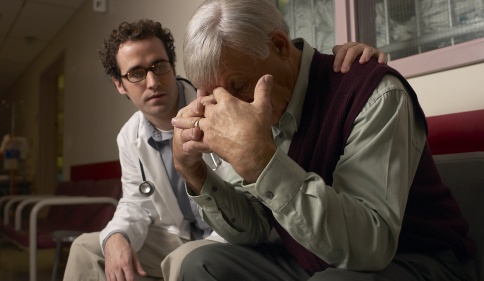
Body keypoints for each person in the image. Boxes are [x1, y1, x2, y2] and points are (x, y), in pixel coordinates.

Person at [169, 0, 478, 280]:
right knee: (194, 262)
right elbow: (256, 228)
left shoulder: (374, 92)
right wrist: (195, 173)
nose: (228, 109)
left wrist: (261, 162)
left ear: (280, 46)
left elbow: (371, 247)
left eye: (238, 85)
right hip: (311, 261)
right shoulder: (253, 114)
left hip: (419, 259)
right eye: (210, 94)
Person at [62, 18, 385, 281]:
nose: (152, 82)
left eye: (159, 66)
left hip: (228, 235)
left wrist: (348, 62)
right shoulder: (129, 136)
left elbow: (280, 62)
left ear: (172, 66)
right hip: (179, 232)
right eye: (135, 73)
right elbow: (135, 202)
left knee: (187, 260)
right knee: (89, 247)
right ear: (120, 83)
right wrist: (117, 235)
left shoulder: (225, 100)